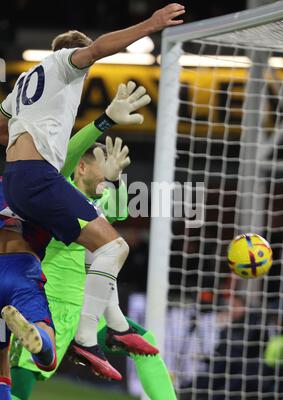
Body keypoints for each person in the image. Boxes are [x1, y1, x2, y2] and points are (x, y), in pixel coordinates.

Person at [0, 3, 185, 376]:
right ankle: (88, 336)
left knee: (86, 242)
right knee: (115, 246)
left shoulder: (23, 85)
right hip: (37, 178)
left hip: (16, 180)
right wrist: (150, 24)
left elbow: (3, 128)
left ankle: (111, 326)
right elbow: (99, 47)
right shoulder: (66, 62)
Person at [10, 136, 177, 400]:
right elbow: (72, 149)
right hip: (45, 305)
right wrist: (104, 121)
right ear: (82, 168)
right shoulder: (56, 195)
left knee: (144, 345)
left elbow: (120, 211)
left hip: (86, 309)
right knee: (20, 386)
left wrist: (115, 178)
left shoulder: (105, 197)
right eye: (102, 166)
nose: (106, 173)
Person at [0, 181, 57, 400]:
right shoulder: (47, 189)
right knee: (47, 352)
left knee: (1, 363)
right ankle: (40, 342)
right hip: (20, 271)